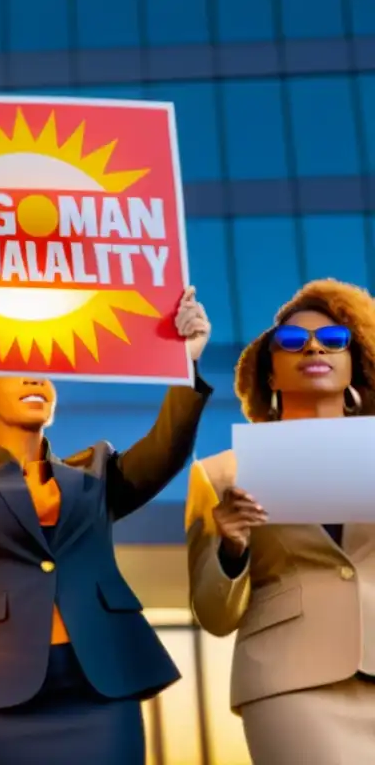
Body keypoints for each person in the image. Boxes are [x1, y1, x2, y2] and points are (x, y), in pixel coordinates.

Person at [0, 288, 213, 765]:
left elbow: (168, 448)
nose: (35, 377)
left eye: (43, 371)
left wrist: (186, 360)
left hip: (99, 684)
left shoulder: (98, 472)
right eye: (14, 369)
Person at [186, 279, 375, 765]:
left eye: (335, 341)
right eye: (291, 342)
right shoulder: (221, 474)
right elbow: (214, 614)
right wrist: (231, 547)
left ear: (356, 364)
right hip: (292, 683)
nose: (313, 346)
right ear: (269, 375)